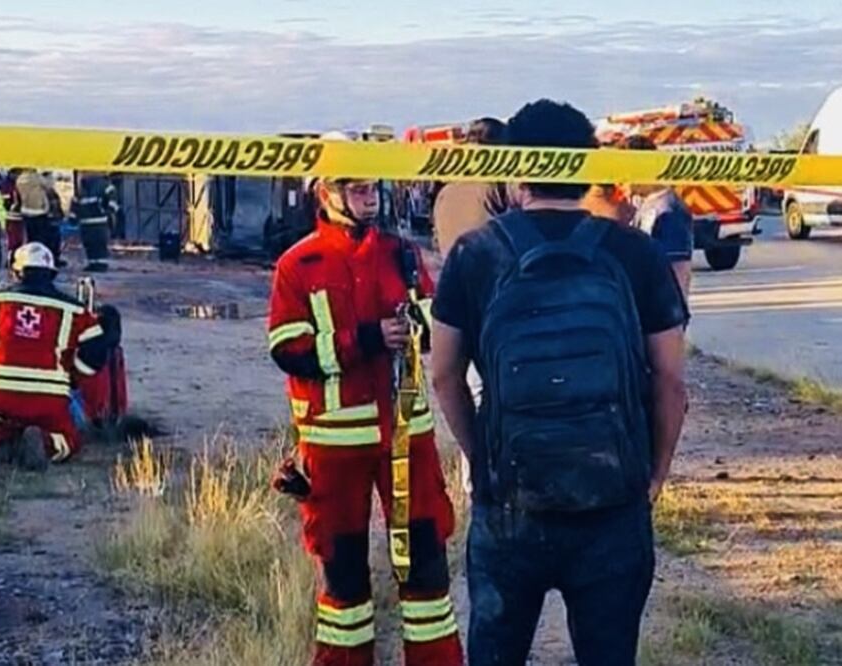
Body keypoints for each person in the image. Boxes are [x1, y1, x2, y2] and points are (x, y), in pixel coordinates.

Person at [430, 99, 689, 666]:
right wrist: (655, 474)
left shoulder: (478, 252)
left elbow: (444, 373)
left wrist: (483, 455)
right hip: (612, 502)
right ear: (588, 165)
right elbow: (671, 383)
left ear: (517, 167)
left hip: (511, 507)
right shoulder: (633, 252)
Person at [267, 134, 463, 666]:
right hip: (334, 446)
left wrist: (415, 323)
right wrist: (368, 338)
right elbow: (288, 350)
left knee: (424, 563)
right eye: (354, 188)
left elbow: (435, 318)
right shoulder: (298, 265)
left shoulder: (402, 253)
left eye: (370, 186)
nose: (366, 196)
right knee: (343, 572)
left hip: (406, 436)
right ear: (323, 193)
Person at [0, 242, 115, 469]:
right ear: (52, 272)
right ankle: (50, 441)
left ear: (16, 271)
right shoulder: (76, 311)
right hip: (48, 399)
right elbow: (96, 352)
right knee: (68, 441)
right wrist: (74, 377)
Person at [621, 135, 695, 299]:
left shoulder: (669, 211)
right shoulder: (644, 204)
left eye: (625, 171)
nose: (622, 179)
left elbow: (678, 272)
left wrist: (673, 316)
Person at [432, 117, 510, 257]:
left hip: (452, 274)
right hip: (493, 274)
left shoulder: (445, 193)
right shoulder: (496, 188)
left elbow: (437, 242)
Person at [15, 168, 61, 267]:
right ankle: (42, 260)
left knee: (31, 238)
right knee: (42, 238)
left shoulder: (20, 179)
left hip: (26, 210)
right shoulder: (36, 178)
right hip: (39, 211)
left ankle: (32, 259)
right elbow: (49, 185)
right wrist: (48, 175)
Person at [70, 175, 111, 272]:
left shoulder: (84, 189)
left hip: (92, 222)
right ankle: (95, 263)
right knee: (93, 244)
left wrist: (73, 218)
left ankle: (98, 264)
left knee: (95, 244)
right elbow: (75, 203)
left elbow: (112, 201)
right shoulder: (101, 186)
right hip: (94, 222)